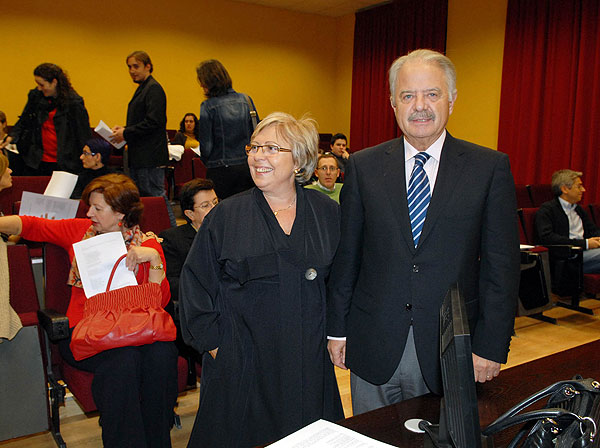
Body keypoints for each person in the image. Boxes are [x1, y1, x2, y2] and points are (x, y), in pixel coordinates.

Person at [326, 49, 519, 415]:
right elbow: (347, 256)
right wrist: (338, 329)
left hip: (450, 347)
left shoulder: (488, 168)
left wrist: (491, 346)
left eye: (432, 94)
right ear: (393, 103)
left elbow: (501, 268)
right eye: (407, 95)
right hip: (371, 343)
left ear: (452, 99)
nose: (420, 106)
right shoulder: (364, 167)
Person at [0, 173, 178, 448]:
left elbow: (159, 301)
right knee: (123, 362)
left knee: (162, 354)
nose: (89, 213)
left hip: (135, 329)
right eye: (90, 206)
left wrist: (156, 260)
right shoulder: (78, 231)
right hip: (85, 331)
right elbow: (29, 225)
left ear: (121, 213)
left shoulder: (146, 244)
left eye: (98, 208)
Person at [180, 112, 344, 447]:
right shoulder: (226, 216)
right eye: (254, 147)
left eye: (271, 148)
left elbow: (341, 282)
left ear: (298, 158)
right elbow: (195, 286)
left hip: (306, 364)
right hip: (243, 363)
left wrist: (337, 335)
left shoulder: (327, 213)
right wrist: (217, 348)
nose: (257, 156)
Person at [159, 178, 217, 386]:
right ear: (190, 215)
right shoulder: (173, 239)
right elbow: (172, 283)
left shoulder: (232, 232)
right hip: (195, 315)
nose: (213, 209)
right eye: (205, 206)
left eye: (215, 203)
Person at [110, 51, 174, 226]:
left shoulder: (153, 88)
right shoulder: (144, 88)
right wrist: (124, 129)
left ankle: (172, 229)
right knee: (146, 198)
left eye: (136, 66)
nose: (132, 70)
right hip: (141, 156)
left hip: (150, 156)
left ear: (148, 66)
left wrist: (126, 132)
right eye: (129, 67)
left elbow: (154, 122)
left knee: (156, 197)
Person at [6, 63, 91, 176]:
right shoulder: (35, 96)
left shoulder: (74, 102)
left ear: (54, 82)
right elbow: (24, 120)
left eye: (42, 84)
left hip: (65, 161)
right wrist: (11, 137)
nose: (39, 88)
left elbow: (82, 134)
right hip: (36, 160)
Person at [196, 59, 257, 199]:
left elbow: (206, 146)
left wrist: (208, 162)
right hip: (246, 166)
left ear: (208, 83)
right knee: (246, 207)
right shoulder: (246, 100)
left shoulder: (207, 106)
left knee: (223, 212)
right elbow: (257, 133)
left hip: (220, 169)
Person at [535, 169, 600, 273]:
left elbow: (593, 231)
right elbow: (548, 238)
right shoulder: (547, 210)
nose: (583, 190)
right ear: (565, 189)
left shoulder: (579, 210)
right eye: (579, 186)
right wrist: (585, 243)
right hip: (567, 257)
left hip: (585, 254)